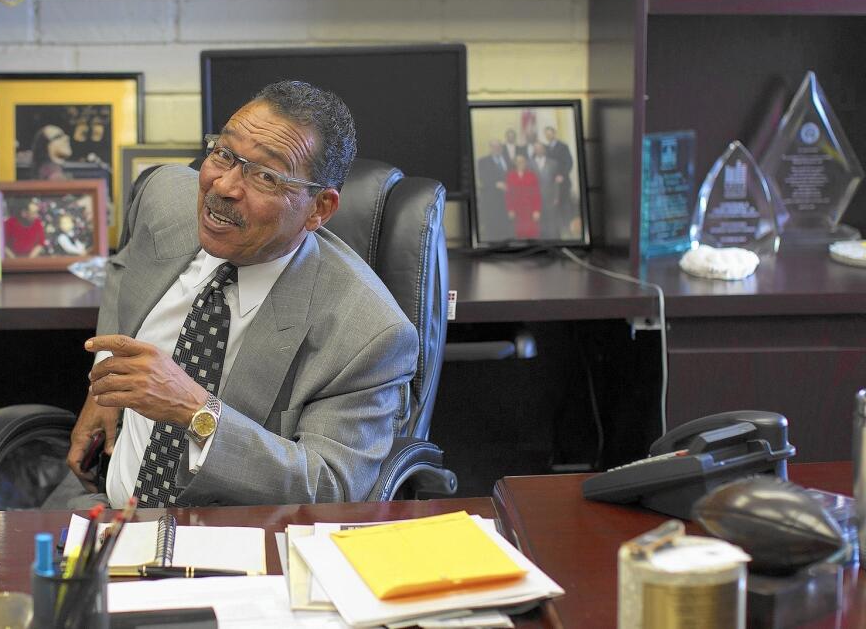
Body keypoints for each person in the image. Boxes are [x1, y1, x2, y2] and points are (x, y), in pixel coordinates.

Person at [46, 80, 418, 508]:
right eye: (224, 154)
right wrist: (107, 377)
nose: (223, 187)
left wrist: (196, 410)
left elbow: (329, 487)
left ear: (319, 209)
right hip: (102, 510)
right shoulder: (165, 197)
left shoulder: (369, 333)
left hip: (232, 538)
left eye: (265, 176)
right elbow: (125, 269)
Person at [474, 140, 510, 241]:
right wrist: (495, 184)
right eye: (494, 147)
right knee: (492, 225)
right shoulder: (483, 161)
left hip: (507, 197)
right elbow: (483, 178)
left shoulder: (507, 160)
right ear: (490, 148)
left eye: (498, 147)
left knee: (506, 224)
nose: (496, 149)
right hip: (491, 198)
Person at [543, 126, 575, 235]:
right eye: (546, 134)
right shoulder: (545, 148)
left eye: (550, 133)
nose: (548, 136)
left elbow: (569, 163)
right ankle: (557, 229)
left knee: (565, 205)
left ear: (554, 134)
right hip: (551, 185)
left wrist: (562, 175)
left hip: (563, 183)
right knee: (554, 208)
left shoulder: (563, 146)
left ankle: (567, 228)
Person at [505, 154, 541, 240]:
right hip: (517, 210)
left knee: (532, 233)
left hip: (530, 209)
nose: (520, 163)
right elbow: (508, 195)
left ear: (525, 163)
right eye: (518, 162)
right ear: (515, 163)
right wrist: (510, 209)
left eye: (522, 161)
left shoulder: (532, 175)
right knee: (518, 234)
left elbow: (536, 194)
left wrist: (537, 210)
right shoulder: (510, 176)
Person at [530, 142, 561, 239]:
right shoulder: (528, 163)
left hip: (550, 197)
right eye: (536, 148)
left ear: (544, 149)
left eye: (540, 148)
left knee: (551, 220)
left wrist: (556, 196)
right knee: (537, 221)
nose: (538, 150)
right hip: (534, 198)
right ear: (534, 150)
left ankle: (552, 241)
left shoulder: (553, 163)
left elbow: (557, 181)